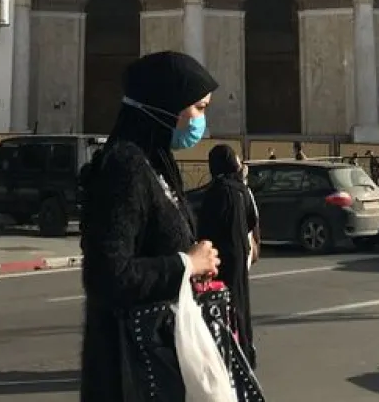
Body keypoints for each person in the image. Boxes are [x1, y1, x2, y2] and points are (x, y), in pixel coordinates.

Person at [80, 51, 222, 402]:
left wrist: (192, 267)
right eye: (199, 108)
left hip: (161, 355)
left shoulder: (153, 162)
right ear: (166, 106)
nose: (202, 120)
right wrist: (186, 264)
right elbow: (107, 274)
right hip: (131, 370)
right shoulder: (125, 166)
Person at [197, 143, 259, 368]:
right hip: (239, 254)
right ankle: (245, 350)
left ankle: (228, 352)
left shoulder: (215, 192)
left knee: (222, 304)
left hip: (220, 257)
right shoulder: (241, 190)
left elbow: (205, 227)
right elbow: (252, 220)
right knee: (241, 302)